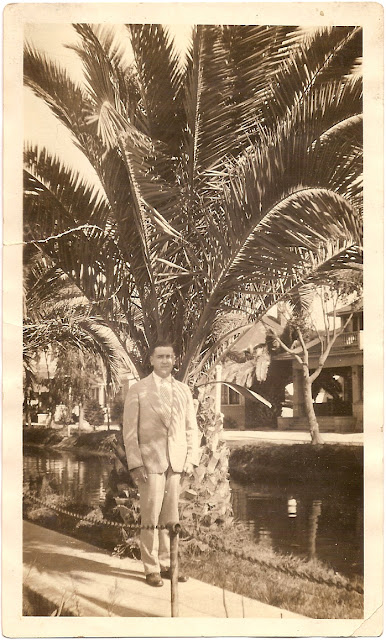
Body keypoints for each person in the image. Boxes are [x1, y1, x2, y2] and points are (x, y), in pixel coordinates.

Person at [123, 340, 200, 587]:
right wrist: (135, 463)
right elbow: (130, 431)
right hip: (149, 463)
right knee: (150, 515)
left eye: (169, 356)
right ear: (151, 361)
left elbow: (191, 428)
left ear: (174, 360)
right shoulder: (138, 390)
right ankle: (151, 568)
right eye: (160, 357)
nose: (165, 360)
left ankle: (168, 565)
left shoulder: (183, 391)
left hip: (175, 463)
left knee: (171, 516)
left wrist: (191, 459)